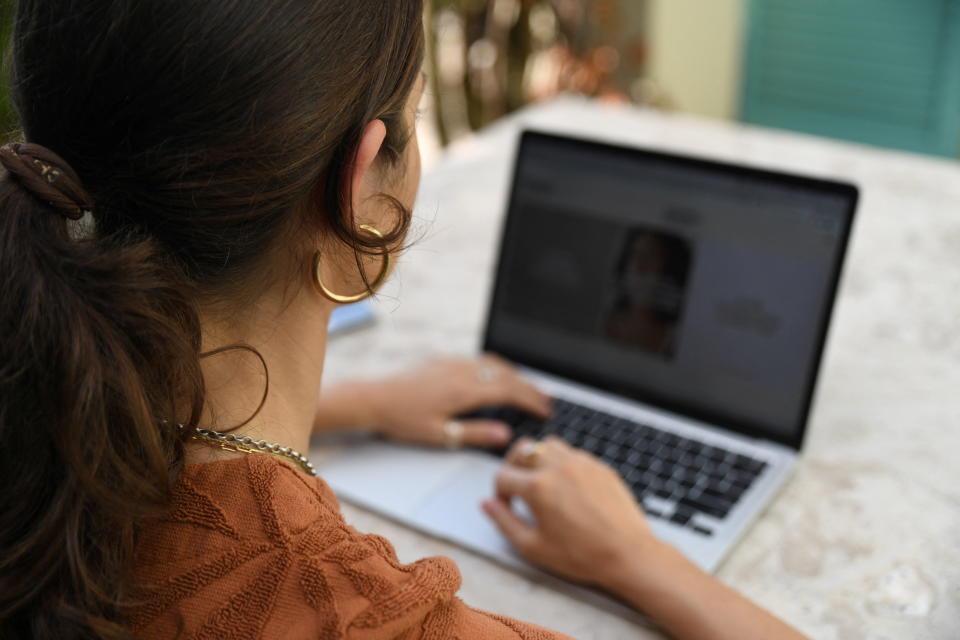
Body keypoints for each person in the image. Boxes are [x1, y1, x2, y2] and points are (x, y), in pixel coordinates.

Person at [0, 1, 810, 639]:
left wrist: (359, 405)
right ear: (360, 191)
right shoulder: (336, 607)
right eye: (415, 119)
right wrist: (638, 558)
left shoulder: (32, 373)